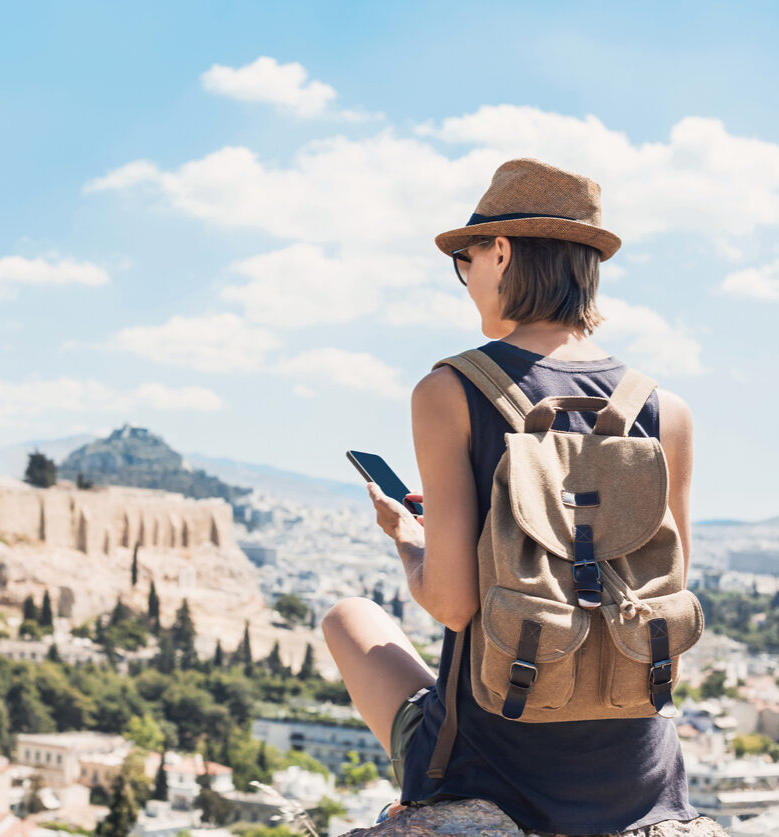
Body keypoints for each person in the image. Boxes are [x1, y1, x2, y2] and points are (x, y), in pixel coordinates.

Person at [322, 159, 722, 836]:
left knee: (348, 617)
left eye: (465, 258)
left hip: (494, 768)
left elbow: (452, 603)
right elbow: (668, 585)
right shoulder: (665, 410)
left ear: (501, 251)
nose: (466, 276)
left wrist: (413, 542)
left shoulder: (451, 391)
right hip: (638, 776)